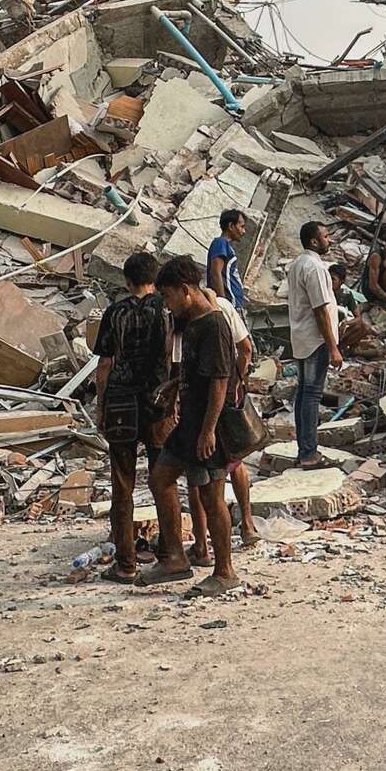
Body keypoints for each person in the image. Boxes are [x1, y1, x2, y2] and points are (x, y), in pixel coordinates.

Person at [137, 256, 240, 594]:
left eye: (168, 297)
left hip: (208, 426)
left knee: (212, 497)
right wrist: (175, 384)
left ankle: (224, 571)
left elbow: (220, 382)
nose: (167, 305)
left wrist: (209, 430)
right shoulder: (192, 322)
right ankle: (175, 558)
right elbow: (195, 370)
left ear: (185, 290)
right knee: (160, 479)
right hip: (189, 423)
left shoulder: (214, 324)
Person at [91, 252, 171, 584]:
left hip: (121, 403)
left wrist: (101, 406)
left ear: (127, 281)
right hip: (157, 403)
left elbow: (104, 364)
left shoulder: (115, 312)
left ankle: (126, 564)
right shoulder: (166, 309)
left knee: (122, 484)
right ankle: (169, 554)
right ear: (156, 279)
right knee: (163, 480)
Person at [188, 286, 260, 554]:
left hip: (204, 402)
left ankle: (203, 544)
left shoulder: (191, 318)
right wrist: (237, 381)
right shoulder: (225, 308)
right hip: (229, 396)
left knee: (199, 474)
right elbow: (246, 348)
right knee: (234, 459)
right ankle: (247, 524)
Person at [285, 221, 342, 469]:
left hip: (302, 337)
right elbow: (320, 310)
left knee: (303, 394)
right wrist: (333, 347)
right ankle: (309, 454)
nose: (330, 240)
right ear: (314, 241)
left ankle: (304, 450)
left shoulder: (298, 264)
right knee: (311, 395)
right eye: (326, 236)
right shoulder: (315, 268)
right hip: (315, 339)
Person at [207, 209, 247, 314]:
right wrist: (223, 304)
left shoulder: (227, 246)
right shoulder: (220, 243)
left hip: (234, 305)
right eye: (241, 227)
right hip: (229, 306)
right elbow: (215, 273)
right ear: (231, 226)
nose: (243, 231)